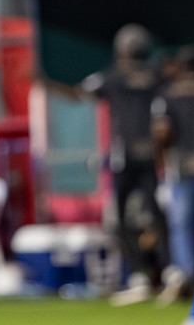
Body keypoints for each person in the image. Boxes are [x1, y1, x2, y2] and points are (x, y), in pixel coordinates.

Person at [44, 24, 167, 306]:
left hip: (126, 155)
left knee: (122, 219)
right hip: (152, 156)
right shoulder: (155, 76)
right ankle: (169, 271)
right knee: (157, 215)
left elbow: (79, 93)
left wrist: (45, 82)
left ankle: (142, 276)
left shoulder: (114, 76)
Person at [156, 46, 194, 304]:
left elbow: (162, 133)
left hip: (181, 169)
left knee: (182, 227)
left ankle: (187, 277)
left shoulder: (169, 95)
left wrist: (161, 160)